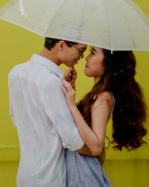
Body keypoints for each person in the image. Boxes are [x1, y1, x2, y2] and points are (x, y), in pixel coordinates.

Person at [60, 47, 148, 187]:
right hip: (79, 170)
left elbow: (96, 147)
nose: (87, 58)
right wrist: (69, 87)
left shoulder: (103, 98)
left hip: (83, 175)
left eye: (93, 53)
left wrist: (72, 106)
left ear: (108, 63)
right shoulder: (97, 95)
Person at [8, 37, 89, 186]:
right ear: (62, 45)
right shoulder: (52, 83)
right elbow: (72, 138)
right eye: (81, 50)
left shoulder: (15, 73)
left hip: (25, 174)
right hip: (50, 176)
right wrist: (97, 151)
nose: (82, 57)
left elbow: (16, 119)